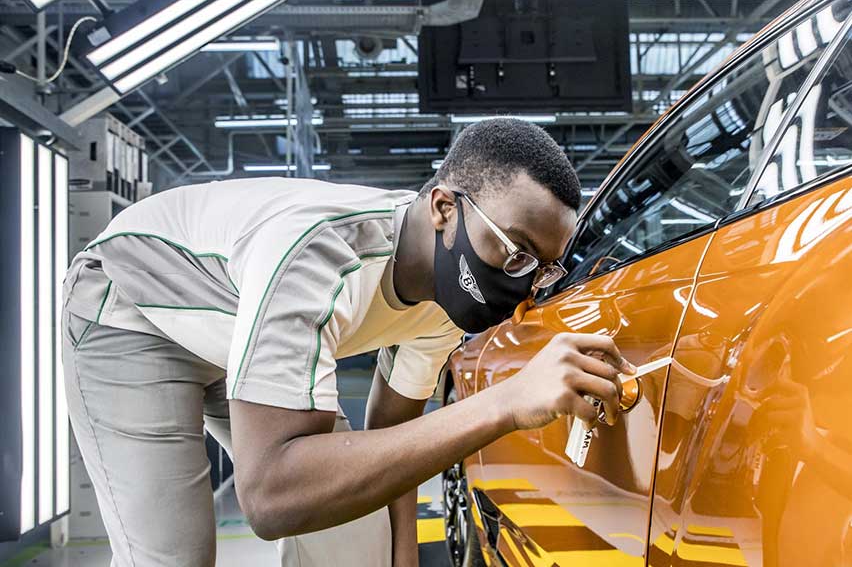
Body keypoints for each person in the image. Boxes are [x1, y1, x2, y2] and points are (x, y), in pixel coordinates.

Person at [61, 117, 633, 567]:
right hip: (132, 312)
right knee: (174, 555)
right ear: (444, 209)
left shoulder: (450, 295)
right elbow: (270, 495)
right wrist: (504, 403)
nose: (525, 285)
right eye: (515, 252)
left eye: (543, 270)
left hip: (237, 329)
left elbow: (395, 435)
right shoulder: (319, 257)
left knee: (354, 536)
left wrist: (401, 558)